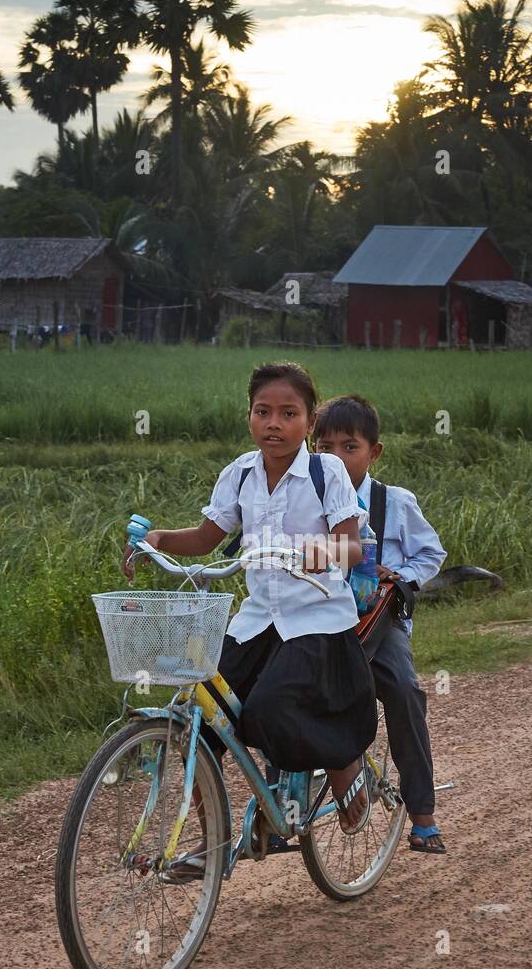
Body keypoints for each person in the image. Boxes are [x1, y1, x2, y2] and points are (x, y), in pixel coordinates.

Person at [123, 362, 378, 869]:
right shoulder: (239, 473)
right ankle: (211, 839)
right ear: (249, 416)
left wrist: (316, 551)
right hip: (257, 620)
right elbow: (205, 538)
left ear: (308, 422)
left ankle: (342, 758)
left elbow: (351, 545)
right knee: (202, 715)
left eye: (289, 413)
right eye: (264, 412)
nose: (274, 424)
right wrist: (158, 541)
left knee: (266, 711)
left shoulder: (325, 472)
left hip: (316, 621)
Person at [314, 394, 448, 854]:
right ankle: (283, 809)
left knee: (404, 690)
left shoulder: (394, 502)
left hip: (378, 623)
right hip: (319, 618)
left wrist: (402, 575)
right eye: (324, 447)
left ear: (375, 452)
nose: (335, 458)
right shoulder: (304, 498)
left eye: (349, 447)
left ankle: (423, 812)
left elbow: (431, 554)